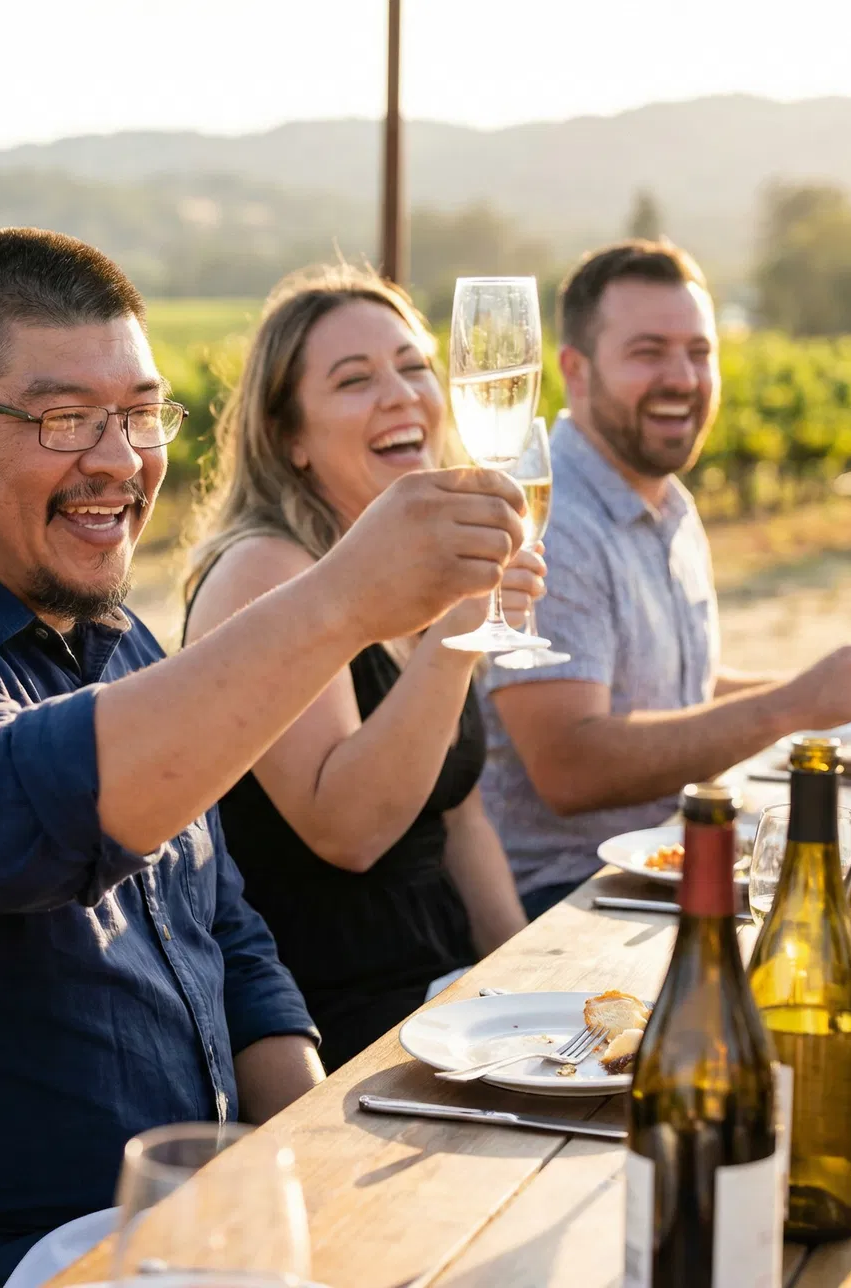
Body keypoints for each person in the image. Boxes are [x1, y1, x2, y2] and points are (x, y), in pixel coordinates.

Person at [0, 230, 533, 1287]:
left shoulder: (107, 640)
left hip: (175, 1232)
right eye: (64, 418)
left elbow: (226, 930)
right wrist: (341, 601)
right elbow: (16, 822)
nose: (119, 459)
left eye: (142, 414)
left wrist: (310, 1159)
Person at [180, 264, 539, 1069]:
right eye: (354, 380)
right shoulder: (267, 572)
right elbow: (349, 830)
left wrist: (530, 980)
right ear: (291, 440)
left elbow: (460, 816)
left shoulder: (420, 569)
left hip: (454, 999)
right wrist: (460, 628)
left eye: (413, 366)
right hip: (340, 1024)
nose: (401, 394)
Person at [477, 242, 851, 918]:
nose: (682, 377)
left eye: (699, 353)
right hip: (572, 903)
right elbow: (569, 764)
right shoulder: (554, 520)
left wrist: (834, 693)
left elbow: (676, 688)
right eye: (648, 352)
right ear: (575, 372)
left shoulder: (667, 499)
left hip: (673, 869)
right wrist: (790, 705)